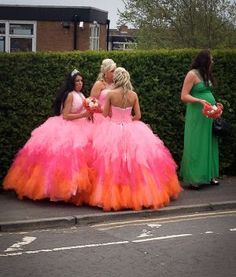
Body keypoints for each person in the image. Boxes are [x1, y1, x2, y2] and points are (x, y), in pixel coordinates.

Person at [87, 67, 182, 211]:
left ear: (117, 79)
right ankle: (141, 195)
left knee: (112, 163)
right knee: (137, 163)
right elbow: (138, 116)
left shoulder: (111, 94)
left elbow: (105, 114)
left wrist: (98, 108)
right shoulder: (133, 95)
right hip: (132, 128)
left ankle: (115, 196)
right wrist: (128, 118)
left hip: (112, 129)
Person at [3, 69, 93, 203]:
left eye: (81, 80)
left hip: (81, 127)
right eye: (77, 81)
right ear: (71, 83)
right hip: (68, 128)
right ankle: (58, 190)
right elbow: (66, 115)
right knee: (64, 161)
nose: (80, 83)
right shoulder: (70, 95)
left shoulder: (80, 94)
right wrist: (83, 115)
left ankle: (73, 190)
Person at [180, 49, 222, 189]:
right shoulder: (192, 74)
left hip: (209, 114)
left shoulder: (206, 74)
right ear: (205, 60)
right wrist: (199, 101)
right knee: (197, 143)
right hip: (197, 114)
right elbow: (184, 96)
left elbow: (208, 93)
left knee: (210, 142)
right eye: (211, 59)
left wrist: (217, 108)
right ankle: (195, 178)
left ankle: (209, 175)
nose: (213, 61)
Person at [90, 58, 116, 123]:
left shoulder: (117, 84)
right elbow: (92, 103)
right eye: (112, 71)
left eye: (115, 71)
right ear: (105, 72)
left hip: (115, 117)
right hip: (101, 117)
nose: (115, 73)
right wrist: (103, 110)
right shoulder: (99, 84)